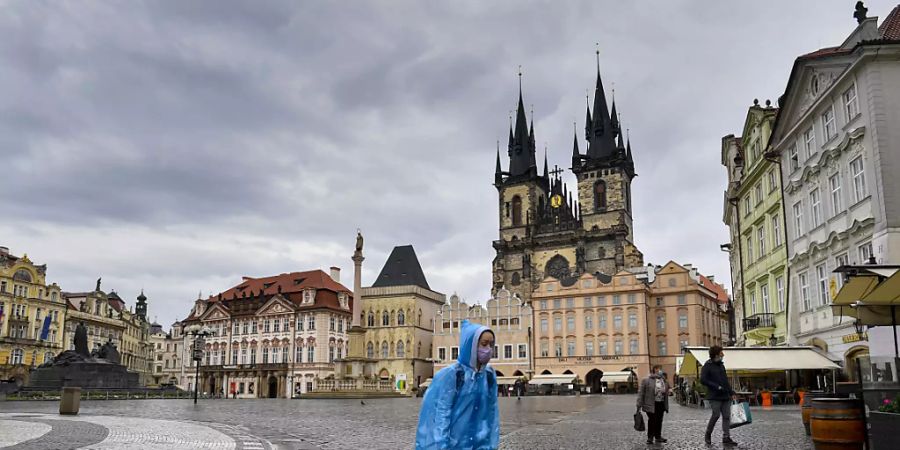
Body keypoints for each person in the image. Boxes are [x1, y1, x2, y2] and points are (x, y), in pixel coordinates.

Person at [415, 320, 500, 450]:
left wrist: (491, 444)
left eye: (491, 344)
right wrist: (442, 446)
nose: (488, 349)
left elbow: (491, 413)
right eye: (484, 344)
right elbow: (441, 415)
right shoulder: (453, 375)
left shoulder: (488, 375)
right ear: (470, 345)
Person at [701, 345, 738, 446]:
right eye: (721, 353)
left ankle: (726, 437)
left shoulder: (721, 365)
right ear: (716, 354)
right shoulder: (707, 366)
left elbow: (725, 381)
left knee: (726, 416)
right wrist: (716, 386)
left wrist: (732, 392)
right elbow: (703, 380)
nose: (723, 355)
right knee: (716, 415)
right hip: (714, 395)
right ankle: (708, 434)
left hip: (725, 395)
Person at [637, 365, 669, 444]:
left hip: (660, 403)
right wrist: (639, 404)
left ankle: (658, 437)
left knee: (659, 420)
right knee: (652, 420)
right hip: (651, 403)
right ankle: (650, 437)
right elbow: (641, 393)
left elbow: (666, 390)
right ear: (654, 370)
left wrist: (668, 391)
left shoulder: (663, 380)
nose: (660, 370)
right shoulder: (646, 380)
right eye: (658, 369)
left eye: (661, 369)